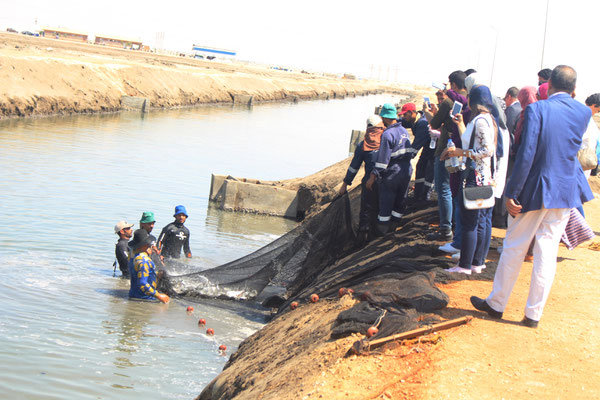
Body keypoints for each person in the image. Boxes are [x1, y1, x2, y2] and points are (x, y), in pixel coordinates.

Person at [470, 65, 593, 328]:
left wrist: (513, 192)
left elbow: (527, 153)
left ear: (548, 86)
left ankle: (497, 303)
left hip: (535, 189)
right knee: (547, 251)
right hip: (564, 192)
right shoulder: (583, 112)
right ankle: (533, 314)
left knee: (515, 246)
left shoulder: (538, 109)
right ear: (573, 89)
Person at [443, 85, 497, 274]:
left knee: (469, 222)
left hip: (475, 177)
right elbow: (472, 141)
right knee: (477, 221)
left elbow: (486, 151)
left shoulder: (481, 121)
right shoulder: (488, 120)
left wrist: (460, 152)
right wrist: (459, 124)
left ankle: (465, 265)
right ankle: (476, 262)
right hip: (483, 177)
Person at [426, 70, 468, 241]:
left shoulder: (449, 101)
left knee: (443, 188)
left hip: (445, 149)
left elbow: (434, 124)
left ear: (454, 85)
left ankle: (445, 229)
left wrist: (429, 113)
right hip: (461, 149)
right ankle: (455, 227)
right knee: (455, 189)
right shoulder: (468, 101)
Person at [366, 103, 415, 234]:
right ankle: (394, 227)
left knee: (386, 201)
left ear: (386, 118)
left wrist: (373, 176)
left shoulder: (387, 135)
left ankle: (382, 231)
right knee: (400, 199)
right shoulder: (404, 131)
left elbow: (382, 162)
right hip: (406, 171)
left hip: (392, 173)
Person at [339, 115, 385, 237]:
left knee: (367, 210)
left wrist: (344, 185)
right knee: (381, 209)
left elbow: (354, 167)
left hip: (370, 183)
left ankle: (363, 237)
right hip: (386, 182)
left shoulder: (363, 145)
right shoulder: (387, 140)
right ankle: (377, 236)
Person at [400, 103, 434, 201]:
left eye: (405, 115)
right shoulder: (414, 120)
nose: (404, 117)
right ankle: (418, 195)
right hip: (428, 148)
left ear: (411, 113)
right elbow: (402, 122)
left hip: (433, 151)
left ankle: (425, 198)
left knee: (429, 173)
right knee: (420, 167)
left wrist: (401, 159)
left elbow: (415, 148)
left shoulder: (422, 124)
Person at [128, 229, 170, 303]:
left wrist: (155, 274)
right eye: (149, 245)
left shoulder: (132, 256)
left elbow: (138, 274)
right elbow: (143, 284)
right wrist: (159, 296)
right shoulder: (144, 261)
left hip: (133, 295)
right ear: (145, 246)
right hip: (144, 299)